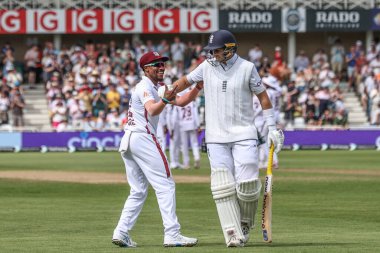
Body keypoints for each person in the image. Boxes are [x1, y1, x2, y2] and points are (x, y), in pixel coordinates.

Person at [171, 30, 285, 247]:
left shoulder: (247, 68)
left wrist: (271, 128)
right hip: (215, 137)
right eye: (211, 50)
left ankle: (244, 223)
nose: (213, 54)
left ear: (230, 49)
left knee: (248, 184)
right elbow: (185, 81)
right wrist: (168, 90)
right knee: (223, 187)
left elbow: (263, 97)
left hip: (244, 133)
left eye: (217, 50)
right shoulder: (206, 67)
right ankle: (232, 234)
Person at [112, 51, 200, 248]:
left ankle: (121, 231)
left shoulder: (158, 86)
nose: (162, 67)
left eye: (163, 64)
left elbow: (182, 101)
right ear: (146, 69)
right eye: (156, 64)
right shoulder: (144, 86)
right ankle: (172, 234)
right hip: (142, 137)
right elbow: (152, 109)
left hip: (130, 140)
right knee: (166, 184)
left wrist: (199, 86)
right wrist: (166, 100)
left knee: (138, 191)